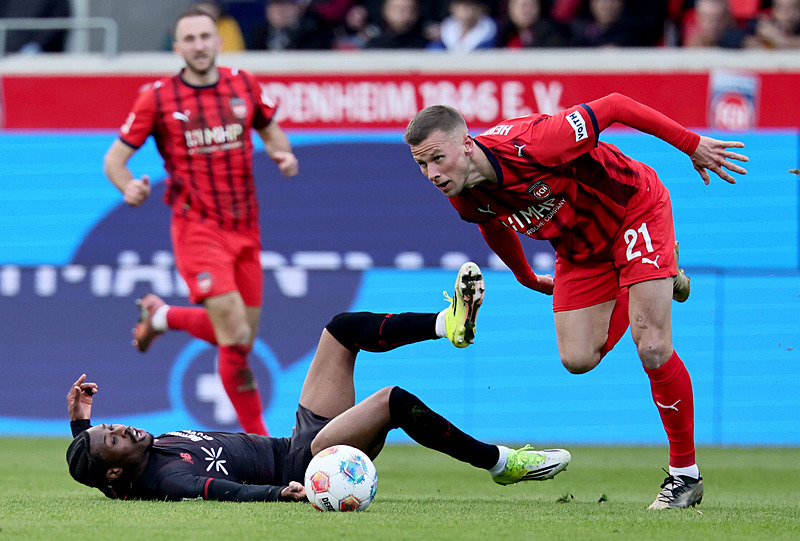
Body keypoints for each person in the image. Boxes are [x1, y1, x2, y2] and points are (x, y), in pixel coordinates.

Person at [403, 93, 749, 509]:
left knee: (653, 345)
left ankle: (684, 476)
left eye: (437, 158)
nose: (431, 174)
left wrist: (692, 144)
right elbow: (491, 226)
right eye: (422, 164)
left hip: (632, 210)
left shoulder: (537, 143)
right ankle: (657, 273)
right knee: (578, 358)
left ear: (467, 144)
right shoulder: (462, 193)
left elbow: (618, 105)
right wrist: (526, 277)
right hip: (579, 250)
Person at [65, 265, 572, 502]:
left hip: (298, 440)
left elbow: (97, 465)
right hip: (311, 463)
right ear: (115, 473)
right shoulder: (163, 479)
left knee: (341, 329)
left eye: (113, 426)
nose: (125, 429)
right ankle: (501, 463)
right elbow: (217, 490)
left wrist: (81, 425)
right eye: (113, 438)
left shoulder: (127, 467)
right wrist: (280, 495)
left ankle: (447, 324)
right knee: (392, 401)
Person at [103, 6, 300, 438]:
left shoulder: (243, 84)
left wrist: (283, 154)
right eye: (188, 39)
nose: (198, 45)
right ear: (177, 48)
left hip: (246, 225)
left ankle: (162, 316)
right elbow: (115, 159)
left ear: (218, 40)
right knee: (233, 330)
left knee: (241, 339)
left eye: (204, 37)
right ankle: (262, 444)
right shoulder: (157, 98)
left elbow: (271, 130)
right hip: (197, 226)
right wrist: (127, 187)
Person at [494, 0, 571, 49]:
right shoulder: (501, 36)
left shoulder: (554, 35)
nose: (524, 9)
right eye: (519, 4)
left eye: (530, 4)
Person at [427, 0, 498, 51]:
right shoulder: (445, 32)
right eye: (461, 5)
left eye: (470, 5)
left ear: (481, 8)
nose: (467, 11)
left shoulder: (492, 33)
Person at [363, 0, 430, 49]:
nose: (404, 14)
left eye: (409, 9)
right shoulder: (374, 46)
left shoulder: (428, 45)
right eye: (397, 9)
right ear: (385, 11)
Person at [682, 0, 747, 48]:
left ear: (728, 18)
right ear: (698, 17)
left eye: (718, 19)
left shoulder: (743, 37)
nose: (713, 24)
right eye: (708, 19)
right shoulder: (693, 42)